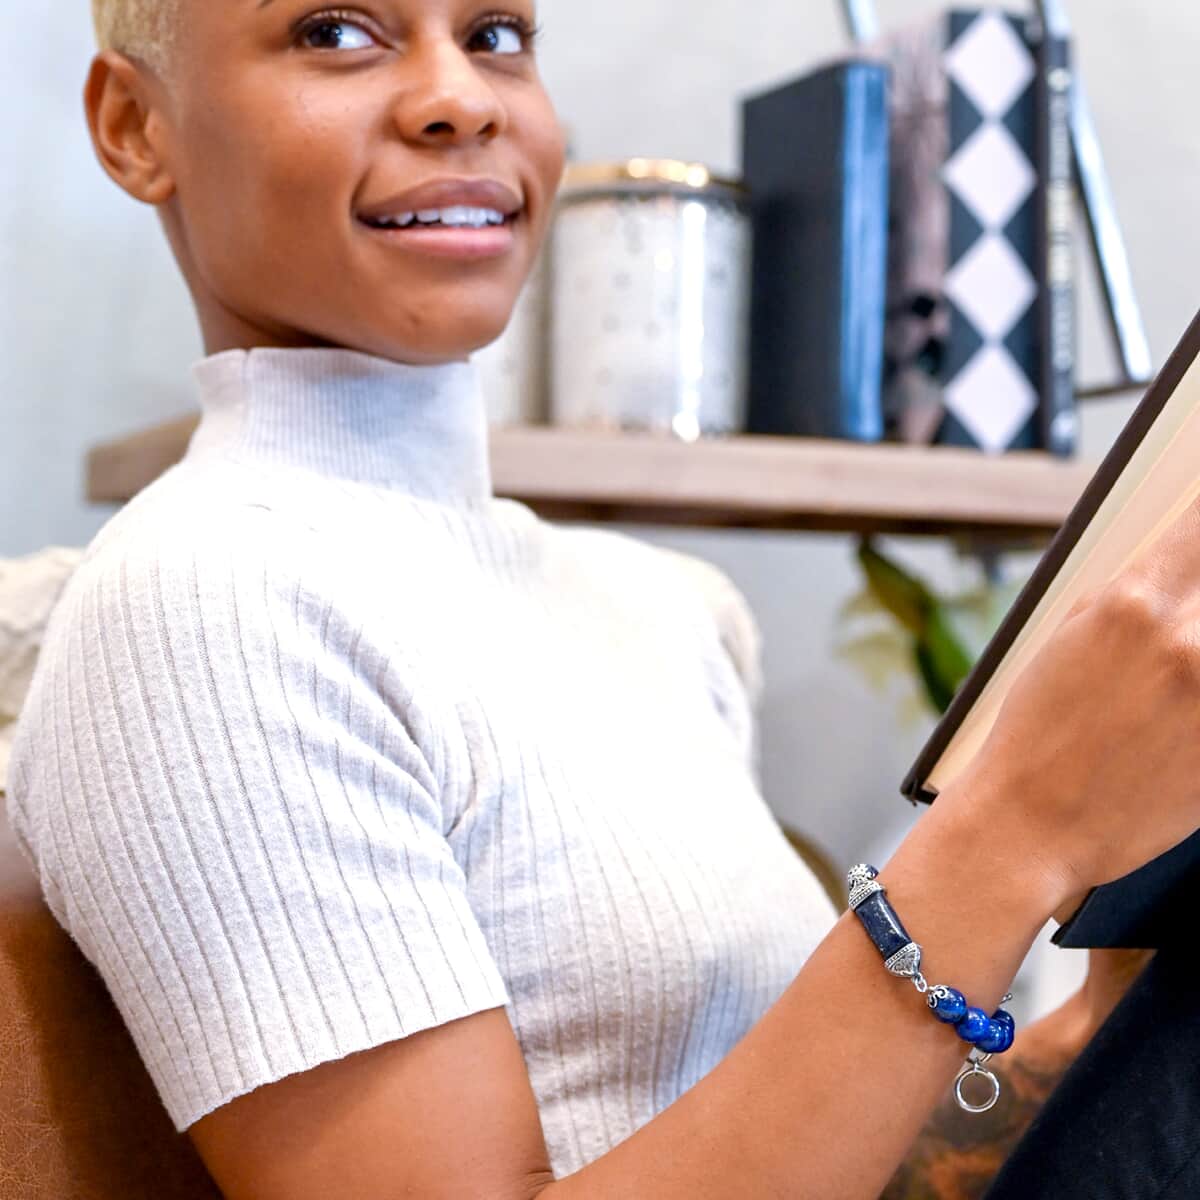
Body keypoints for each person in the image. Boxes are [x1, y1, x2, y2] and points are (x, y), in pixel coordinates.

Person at [4, 1, 1196, 1196]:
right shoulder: (210, 605)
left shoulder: (662, 602)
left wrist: (1106, 1013)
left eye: (497, 36)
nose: (460, 99)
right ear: (133, 125)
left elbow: (837, 1152)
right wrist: (1015, 827)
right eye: (334, 32)